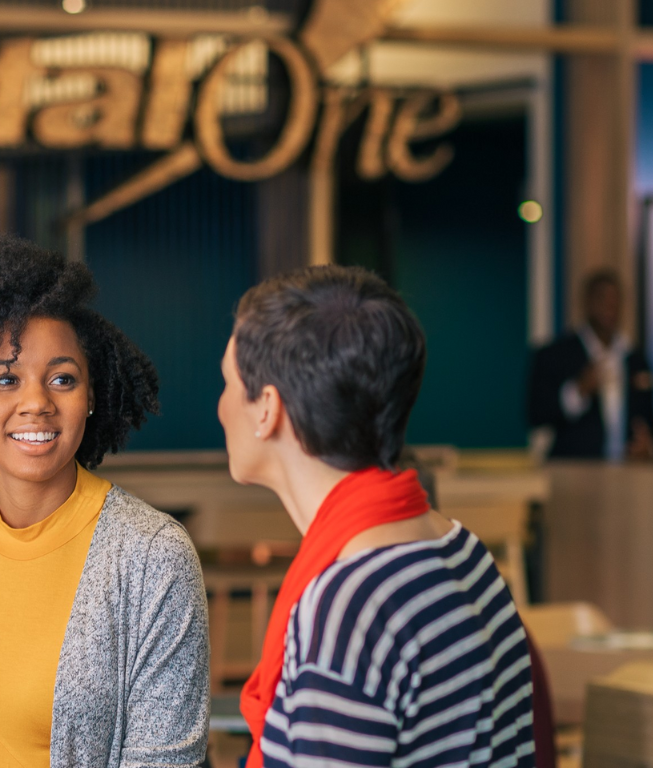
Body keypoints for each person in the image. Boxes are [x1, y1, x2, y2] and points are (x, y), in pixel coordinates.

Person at [0, 236, 208, 768]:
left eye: (62, 378)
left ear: (91, 396)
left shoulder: (151, 556)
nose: (36, 403)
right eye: (5, 379)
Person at [218, 266, 536, 768]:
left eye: (229, 385)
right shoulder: (464, 551)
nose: (221, 406)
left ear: (267, 410)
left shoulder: (350, 606)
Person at [526, 270, 653, 460]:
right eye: (602, 298)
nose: (609, 306)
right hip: (574, 475)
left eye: (615, 300)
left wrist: (650, 447)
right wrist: (578, 391)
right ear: (586, 302)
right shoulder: (555, 355)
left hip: (627, 476)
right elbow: (535, 414)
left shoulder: (636, 360)